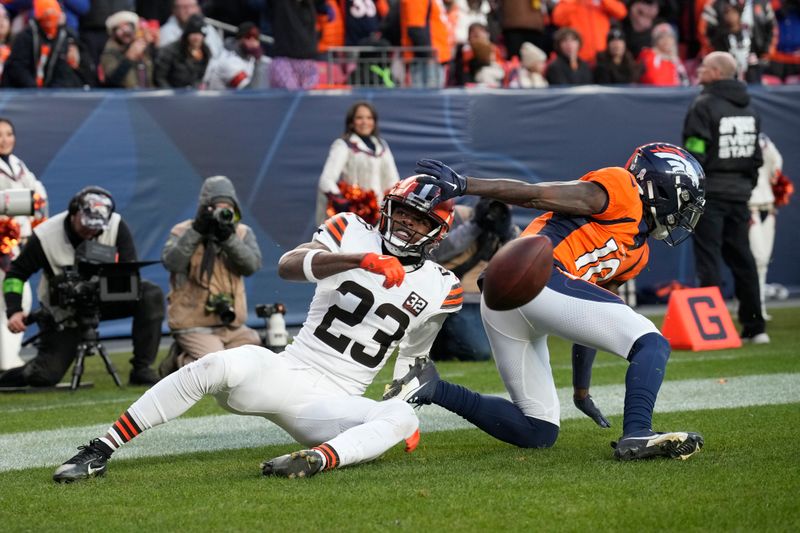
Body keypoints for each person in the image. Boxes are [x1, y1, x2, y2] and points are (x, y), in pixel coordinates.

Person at [51, 176, 464, 482]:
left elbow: (414, 355)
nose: (407, 224)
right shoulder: (350, 230)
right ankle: (99, 450)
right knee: (217, 365)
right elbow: (288, 265)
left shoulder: (443, 285)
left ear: (437, 232)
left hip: (331, 406)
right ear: (389, 207)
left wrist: (391, 415)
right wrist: (359, 260)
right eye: (404, 212)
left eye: (419, 219)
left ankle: (314, 460)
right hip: (288, 371)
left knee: (403, 416)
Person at [386, 142, 707, 461]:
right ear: (662, 187)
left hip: (504, 297)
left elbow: (596, 313)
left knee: (537, 430)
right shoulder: (622, 189)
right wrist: (466, 185)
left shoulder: (638, 253)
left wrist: (581, 392)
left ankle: (429, 386)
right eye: (684, 202)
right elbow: (534, 194)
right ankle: (638, 431)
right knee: (653, 343)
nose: (683, 214)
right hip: (532, 273)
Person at [0, 186, 164, 387]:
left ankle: (142, 368)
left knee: (151, 294)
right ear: (73, 212)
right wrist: (14, 310)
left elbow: (130, 271)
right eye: (86, 225)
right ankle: (6, 378)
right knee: (44, 376)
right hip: (64, 311)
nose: (90, 231)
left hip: (106, 298)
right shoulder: (45, 236)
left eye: (96, 227)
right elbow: (15, 275)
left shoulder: (116, 225)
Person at [683, 51, 767, 344]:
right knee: (743, 259)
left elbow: (695, 154)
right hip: (739, 194)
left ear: (717, 73)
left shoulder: (703, 106)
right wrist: (744, 187)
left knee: (709, 261)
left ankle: (712, 328)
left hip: (711, 195)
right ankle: (756, 328)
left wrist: (695, 191)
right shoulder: (751, 109)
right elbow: (757, 157)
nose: (699, 71)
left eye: (703, 67)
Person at [159, 176, 262, 373]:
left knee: (253, 349)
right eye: (217, 207)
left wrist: (228, 239)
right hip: (193, 322)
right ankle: (179, 364)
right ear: (205, 209)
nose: (222, 213)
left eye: (227, 208)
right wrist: (197, 230)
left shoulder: (241, 233)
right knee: (218, 366)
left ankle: (189, 357)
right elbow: (172, 263)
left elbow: (251, 266)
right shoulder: (183, 231)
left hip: (230, 325)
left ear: (235, 209)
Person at [429, 198, 518, 362]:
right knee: (479, 353)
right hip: (449, 293)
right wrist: (476, 225)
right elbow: (439, 252)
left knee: (494, 350)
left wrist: (504, 233)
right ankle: (438, 340)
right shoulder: (458, 215)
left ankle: (440, 339)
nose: (496, 211)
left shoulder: (510, 229)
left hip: (482, 300)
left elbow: (514, 267)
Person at [0, 117, 48, 370]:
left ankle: (9, 357)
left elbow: (39, 194)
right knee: (14, 299)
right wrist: (25, 201)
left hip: (17, 241)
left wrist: (23, 201)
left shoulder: (18, 164)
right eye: (0, 135)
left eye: (9, 133)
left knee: (16, 299)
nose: (4, 139)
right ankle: (7, 361)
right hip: (2, 245)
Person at [316, 101, 400, 226]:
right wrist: (344, 204)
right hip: (352, 216)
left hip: (379, 217)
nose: (365, 122)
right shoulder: (344, 145)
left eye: (369, 118)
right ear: (351, 122)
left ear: (374, 122)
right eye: (359, 118)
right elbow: (326, 180)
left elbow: (393, 181)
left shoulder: (382, 146)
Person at [2, 0, 94, 88]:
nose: (49, 23)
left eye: (52, 17)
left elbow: (84, 7)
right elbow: (18, 67)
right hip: (24, 91)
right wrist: (34, 89)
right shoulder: (27, 36)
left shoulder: (63, 37)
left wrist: (49, 92)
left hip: (51, 93)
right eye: (45, 18)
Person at [748, 134, 784, 321]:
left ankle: (758, 304)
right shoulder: (743, 142)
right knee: (757, 257)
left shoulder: (765, 141)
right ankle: (750, 304)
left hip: (768, 205)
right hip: (750, 205)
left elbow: (777, 164)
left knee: (763, 260)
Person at [552, 0, 628, 63]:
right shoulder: (570, 2)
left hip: (602, 57)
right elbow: (557, 19)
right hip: (579, 58)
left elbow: (621, 13)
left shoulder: (601, 3)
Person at [202, 21, 270, 90]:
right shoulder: (227, 60)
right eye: (248, 36)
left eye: (256, 37)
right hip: (216, 100)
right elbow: (248, 92)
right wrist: (259, 61)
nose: (253, 40)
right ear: (239, 39)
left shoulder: (252, 58)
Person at [100, 10, 156, 88]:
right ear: (113, 33)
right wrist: (129, 59)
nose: (125, 31)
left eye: (128, 26)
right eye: (119, 28)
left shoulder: (143, 47)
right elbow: (111, 81)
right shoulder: (109, 54)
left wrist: (152, 44)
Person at [154, 13, 209, 88]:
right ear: (186, 35)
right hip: (171, 94)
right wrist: (170, 94)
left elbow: (199, 77)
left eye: (200, 34)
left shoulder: (206, 52)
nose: (197, 38)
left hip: (192, 94)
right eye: (193, 33)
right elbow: (159, 78)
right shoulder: (170, 51)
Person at [158, 0, 224, 58]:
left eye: (192, 6)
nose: (188, 11)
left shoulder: (207, 28)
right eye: (184, 7)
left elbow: (220, 54)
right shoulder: (166, 33)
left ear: (198, 8)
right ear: (174, 10)